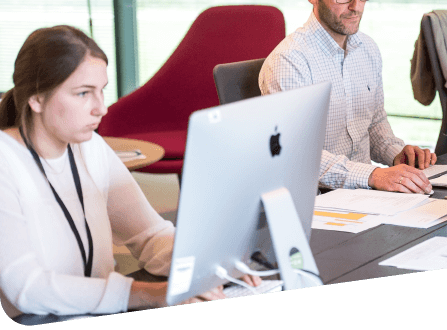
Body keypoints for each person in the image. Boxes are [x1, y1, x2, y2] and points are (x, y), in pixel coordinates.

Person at [0, 25, 260, 320]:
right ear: (36, 98)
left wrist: (211, 265)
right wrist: (148, 294)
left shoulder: (90, 147)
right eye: (83, 93)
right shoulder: (5, 162)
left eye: (102, 91)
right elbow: (26, 287)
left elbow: (150, 235)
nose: (101, 108)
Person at [259, 0, 436, 194]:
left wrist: (398, 154)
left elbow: (374, 125)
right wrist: (373, 175)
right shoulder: (289, 62)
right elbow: (298, 154)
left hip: (366, 195)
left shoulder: (368, 49)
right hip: (319, 200)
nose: (356, 6)